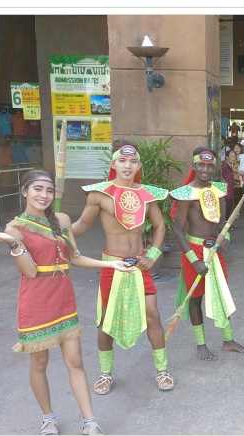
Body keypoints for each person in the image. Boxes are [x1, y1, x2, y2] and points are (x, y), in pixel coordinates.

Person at [0, 169, 135, 435]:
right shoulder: (14, 229)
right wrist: (13, 245)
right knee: (39, 363)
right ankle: (48, 418)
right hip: (36, 303)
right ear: (25, 191)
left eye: (49, 190)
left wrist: (110, 263)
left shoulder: (62, 220)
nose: (44, 195)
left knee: (75, 361)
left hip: (63, 299)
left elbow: (73, 257)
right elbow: (29, 272)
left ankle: (90, 423)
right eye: (38, 189)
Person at [72, 140, 175, 395]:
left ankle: (162, 370)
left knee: (153, 315)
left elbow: (160, 226)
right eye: (122, 161)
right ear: (113, 164)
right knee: (106, 320)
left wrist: (152, 253)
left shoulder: (147, 194)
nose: (127, 166)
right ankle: (105, 374)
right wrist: (56, 230)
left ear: (138, 165)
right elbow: (81, 227)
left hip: (140, 264)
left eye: (132, 161)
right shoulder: (100, 194)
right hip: (112, 265)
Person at [170, 147, 244, 360]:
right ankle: (201, 344)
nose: (205, 169)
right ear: (194, 166)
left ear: (214, 167)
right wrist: (193, 260)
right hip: (194, 251)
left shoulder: (219, 190)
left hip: (215, 251)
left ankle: (228, 340)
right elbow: (177, 230)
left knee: (221, 294)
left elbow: (222, 224)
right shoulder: (185, 193)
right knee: (196, 298)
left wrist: (225, 238)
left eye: (209, 166)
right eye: (201, 165)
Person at [220, 147, 237, 231]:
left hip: (230, 189)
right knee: (227, 207)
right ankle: (225, 225)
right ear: (227, 157)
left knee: (229, 207)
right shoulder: (224, 165)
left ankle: (228, 224)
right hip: (226, 190)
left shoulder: (231, 165)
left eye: (234, 156)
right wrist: (224, 182)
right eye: (231, 156)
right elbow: (220, 173)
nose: (233, 158)